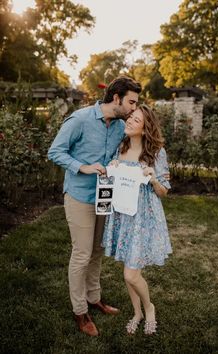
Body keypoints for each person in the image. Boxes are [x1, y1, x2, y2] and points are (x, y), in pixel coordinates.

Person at [47, 76, 142, 337]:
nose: (134, 108)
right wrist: (83, 167)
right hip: (79, 196)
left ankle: (94, 298)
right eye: (131, 102)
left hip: (105, 197)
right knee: (81, 253)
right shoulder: (80, 119)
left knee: (98, 250)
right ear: (116, 98)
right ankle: (80, 311)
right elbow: (55, 151)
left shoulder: (120, 125)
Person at [102, 104, 172, 335]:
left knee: (130, 273)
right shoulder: (120, 149)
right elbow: (112, 183)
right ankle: (137, 312)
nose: (129, 121)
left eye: (136, 120)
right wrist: (111, 169)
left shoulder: (156, 152)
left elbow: (164, 191)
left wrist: (153, 178)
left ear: (144, 129)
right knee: (129, 269)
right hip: (122, 215)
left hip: (144, 217)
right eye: (130, 117)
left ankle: (149, 307)